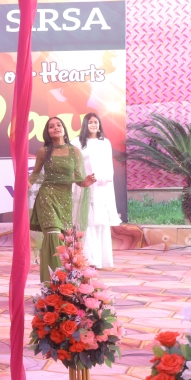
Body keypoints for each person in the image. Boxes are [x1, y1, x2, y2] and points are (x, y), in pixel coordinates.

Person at [28, 116, 96, 282]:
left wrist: (85, 182)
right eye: (51, 126)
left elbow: (79, 179)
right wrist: (25, 185)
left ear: (64, 129)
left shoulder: (75, 152)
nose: (56, 128)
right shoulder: (43, 151)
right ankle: (51, 281)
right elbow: (35, 174)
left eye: (59, 125)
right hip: (47, 196)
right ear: (47, 132)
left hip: (65, 199)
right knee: (52, 234)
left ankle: (65, 282)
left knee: (63, 239)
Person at [72, 113, 121, 268]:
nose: (93, 125)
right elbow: (74, 165)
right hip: (84, 186)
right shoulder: (76, 142)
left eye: (96, 122)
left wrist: (102, 178)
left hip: (101, 187)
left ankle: (101, 260)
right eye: (90, 122)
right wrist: (83, 180)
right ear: (85, 125)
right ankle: (87, 259)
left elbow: (108, 165)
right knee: (86, 221)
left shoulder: (105, 142)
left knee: (100, 222)